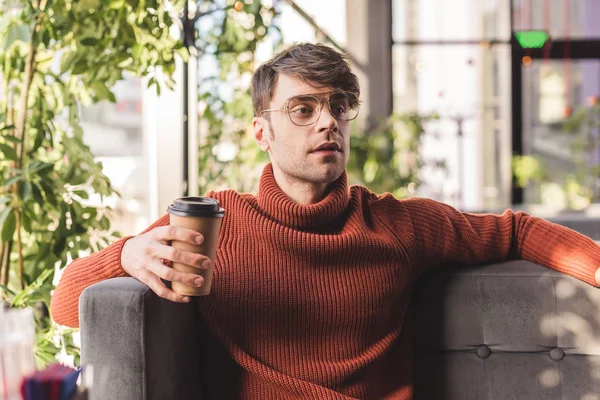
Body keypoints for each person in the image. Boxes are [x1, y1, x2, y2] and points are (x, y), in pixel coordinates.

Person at [51, 43, 600, 399]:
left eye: (338, 106)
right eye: (303, 108)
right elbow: (64, 304)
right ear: (261, 131)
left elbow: (516, 230)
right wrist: (124, 254)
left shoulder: (397, 225)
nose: (327, 122)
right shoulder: (218, 224)